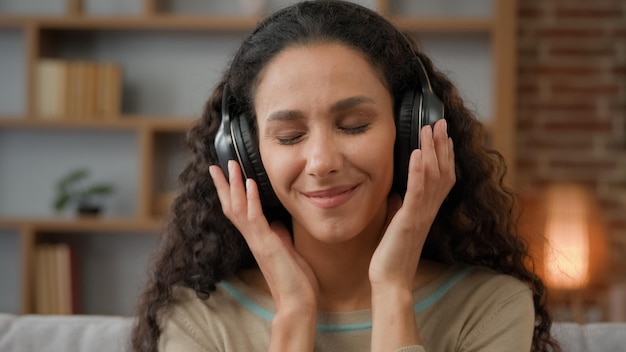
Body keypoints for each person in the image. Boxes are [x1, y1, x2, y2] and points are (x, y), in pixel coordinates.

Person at [131, 1, 561, 351]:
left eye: (354, 125)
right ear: (243, 154)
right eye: (290, 135)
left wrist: (393, 290)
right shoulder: (200, 320)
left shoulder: (490, 307)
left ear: (412, 133)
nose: (321, 162)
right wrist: (296, 314)